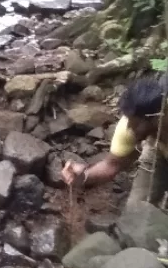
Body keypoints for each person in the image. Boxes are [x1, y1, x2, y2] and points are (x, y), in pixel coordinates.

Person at [62, 74, 168, 208]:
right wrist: (83, 176)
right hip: (158, 147)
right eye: (129, 121)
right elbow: (111, 165)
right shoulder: (129, 127)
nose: (130, 128)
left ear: (156, 117)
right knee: (136, 211)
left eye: (135, 124)